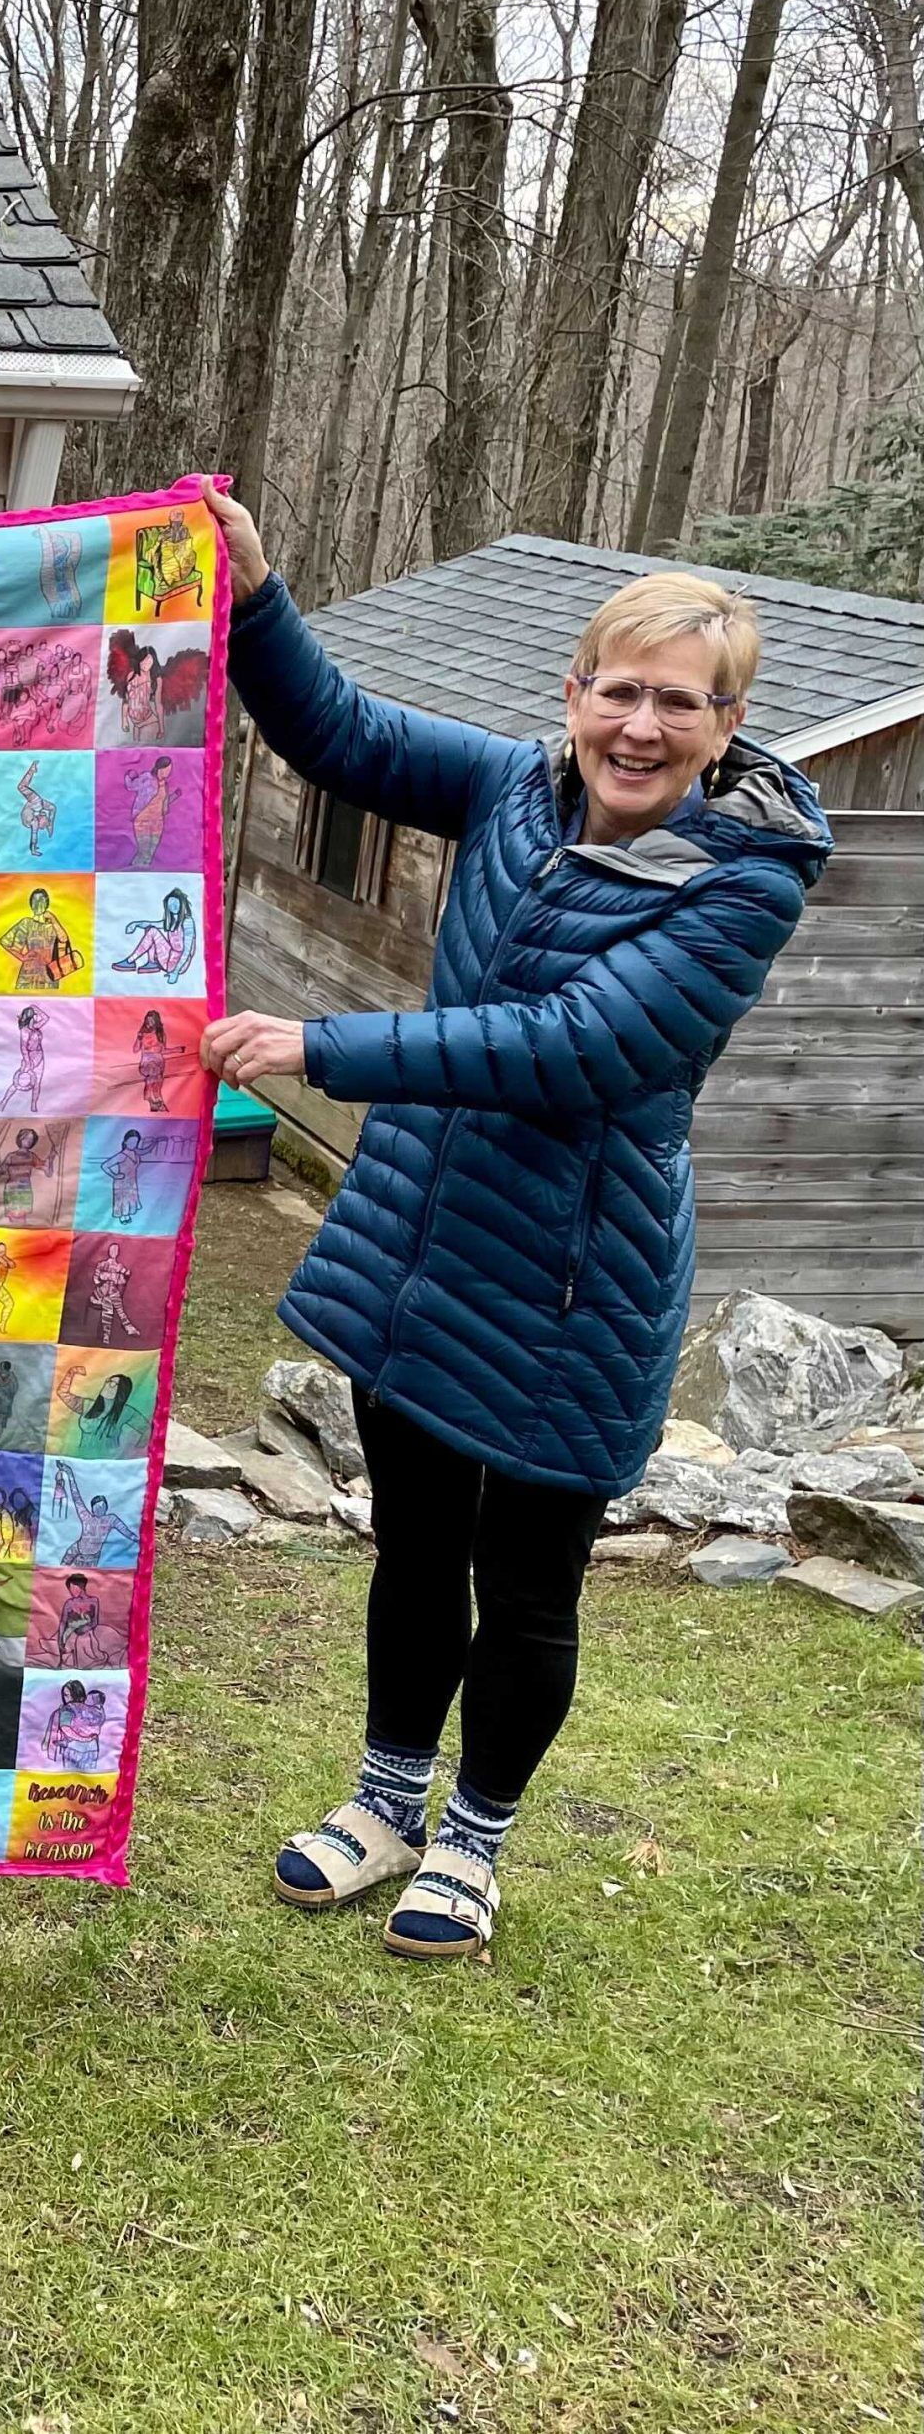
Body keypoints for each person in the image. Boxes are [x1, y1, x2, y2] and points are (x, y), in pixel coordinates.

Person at [201, 487, 829, 1962]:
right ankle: (381, 1806)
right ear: (574, 694)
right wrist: (253, 594)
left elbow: (575, 1046)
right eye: (620, 689)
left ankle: (473, 1844)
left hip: (571, 1282)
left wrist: (321, 1047)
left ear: (724, 727)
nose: (641, 725)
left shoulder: (744, 887)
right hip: (420, 1240)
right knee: (413, 1553)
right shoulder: (513, 789)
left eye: (682, 702)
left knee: (527, 1582)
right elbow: (341, 737)